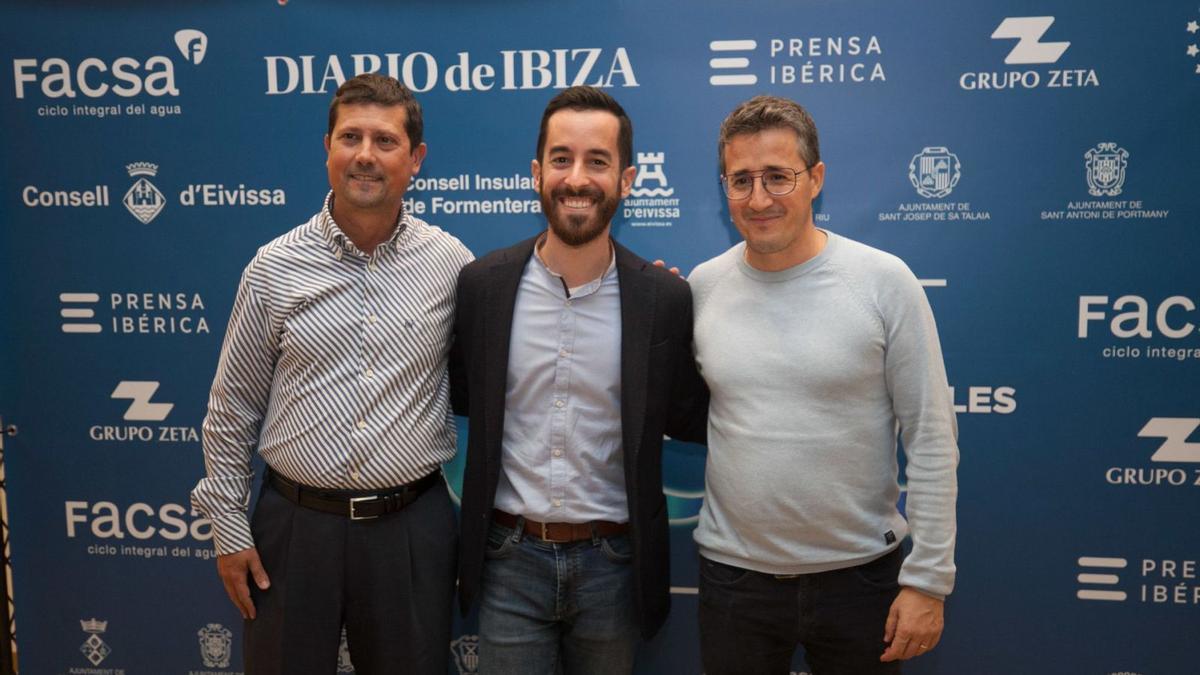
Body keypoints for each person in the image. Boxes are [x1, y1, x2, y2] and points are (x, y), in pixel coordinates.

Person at [191, 73, 472, 675]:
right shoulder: (274, 266)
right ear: (327, 148)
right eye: (350, 137)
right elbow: (232, 409)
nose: (365, 155)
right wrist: (229, 531)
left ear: (416, 159)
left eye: (385, 140)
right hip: (293, 529)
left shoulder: (452, 264)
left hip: (410, 530)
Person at [689, 95, 959, 674]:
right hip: (735, 583)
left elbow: (932, 437)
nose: (758, 198)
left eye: (778, 177)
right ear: (724, 187)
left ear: (815, 179)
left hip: (861, 583)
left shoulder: (885, 282)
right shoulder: (702, 287)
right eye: (741, 180)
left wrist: (929, 581)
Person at [451, 86, 708, 675]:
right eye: (562, 159)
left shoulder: (664, 299)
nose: (577, 178)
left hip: (614, 566)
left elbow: (690, 414)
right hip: (506, 560)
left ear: (627, 179)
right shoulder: (483, 287)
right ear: (537, 173)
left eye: (598, 161)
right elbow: (462, 393)